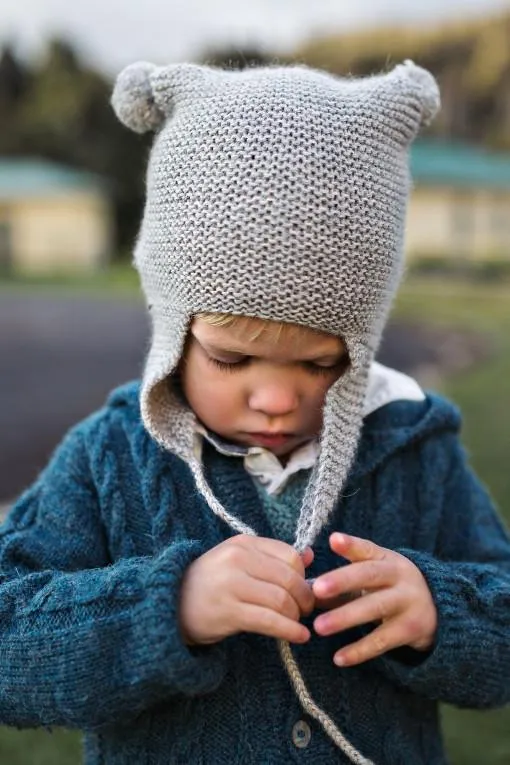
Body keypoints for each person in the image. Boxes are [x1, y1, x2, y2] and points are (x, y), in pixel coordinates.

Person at [0, 59, 509, 765]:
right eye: (232, 359)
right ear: (175, 329)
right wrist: (166, 605)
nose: (275, 398)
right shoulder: (110, 456)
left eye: (322, 363)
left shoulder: (415, 446)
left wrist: (440, 609)